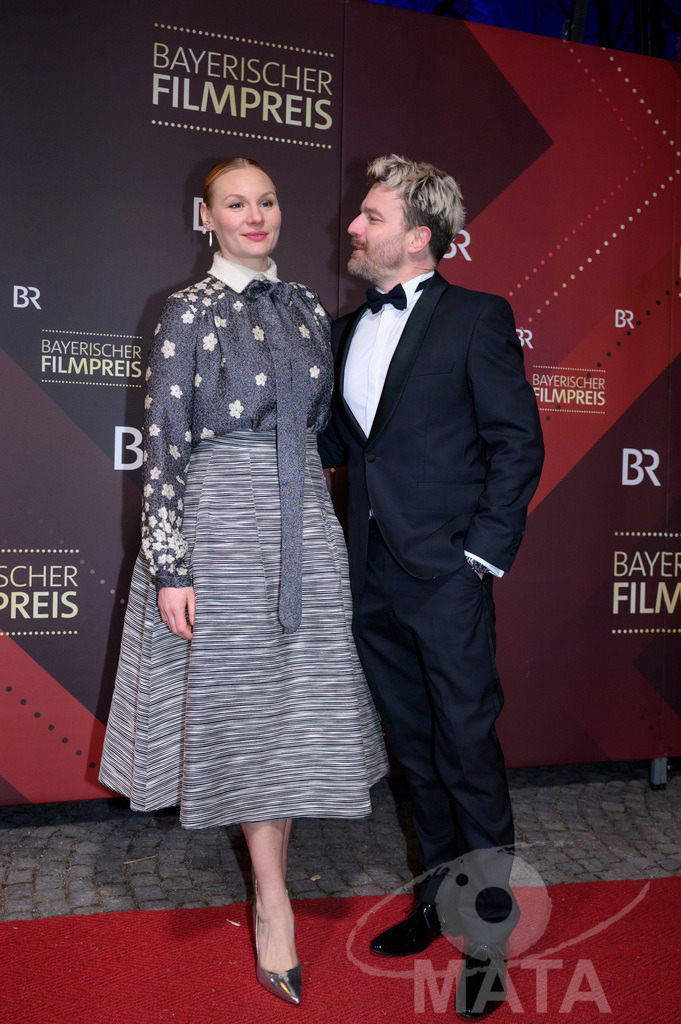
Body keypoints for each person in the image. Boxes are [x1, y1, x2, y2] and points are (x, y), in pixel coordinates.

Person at [100, 157, 388, 1007]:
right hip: (221, 527)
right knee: (245, 702)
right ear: (205, 216)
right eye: (236, 203)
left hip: (305, 526)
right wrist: (171, 564)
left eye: (266, 201)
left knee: (292, 704)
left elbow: (333, 427)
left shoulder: (305, 307)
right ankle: (273, 902)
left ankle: (273, 884)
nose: (255, 215)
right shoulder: (184, 312)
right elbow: (163, 444)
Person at [318, 155, 544, 1019]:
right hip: (370, 577)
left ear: (418, 236)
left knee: (467, 755)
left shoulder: (477, 318)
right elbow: (343, 449)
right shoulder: (344, 330)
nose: (353, 227)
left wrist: (480, 557)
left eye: (369, 216)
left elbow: (515, 443)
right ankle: (429, 904)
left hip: (446, 575)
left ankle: (487, 937)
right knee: (414, 758)